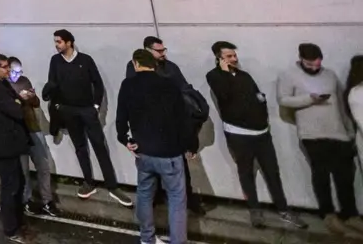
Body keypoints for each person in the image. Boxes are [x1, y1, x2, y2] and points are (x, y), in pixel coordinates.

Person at [205, 41, 305, 229]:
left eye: (234, 55)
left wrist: (262, 113)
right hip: (238, 134)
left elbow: (258, 97)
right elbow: (225, 96)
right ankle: (255, 211)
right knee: (246, 172)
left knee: (272, 171)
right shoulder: (214, 76)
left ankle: (283, 210)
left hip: (261, 133)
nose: (234, 58)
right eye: (229, 56)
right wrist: (225, 73)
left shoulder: (244, 76)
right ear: (219, 59)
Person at [277, 43, 359, 235]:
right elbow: (283, 99)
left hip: (338, 132)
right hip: (311, 134)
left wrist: (350, 131)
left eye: (318, 63)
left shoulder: (330, 75)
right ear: (301, 59)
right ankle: (328, 215)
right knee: (322, 174)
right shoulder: (288, 75)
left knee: (345, 176)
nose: (315, 68)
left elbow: (341, 103)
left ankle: (350, 214)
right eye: (310, 64)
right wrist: (310, 99)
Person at [44, 29, 131, 206]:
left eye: (59, 41)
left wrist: (96, 106)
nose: (56, 45)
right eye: (55, 41)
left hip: (87, 110)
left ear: (69, 42)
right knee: (80, 147)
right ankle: (88, 182)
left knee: (99, 146)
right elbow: (52, 83)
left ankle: (112, 185)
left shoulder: (85, 60)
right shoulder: (55, 61)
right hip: (68, 111)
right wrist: (59, 106)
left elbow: (98, 84)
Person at [117, 49, 190, 244]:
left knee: (144, 194)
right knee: (176, 199)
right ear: (154, 64)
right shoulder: (169, 85)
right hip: (170, 152)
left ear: (135, 64)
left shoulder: (128, 85)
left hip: (143, 151)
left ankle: (147, 238)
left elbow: (121, 117)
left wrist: (125, 139)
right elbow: (182, 119)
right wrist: (189, 145)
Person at [0, 52, 30, 242]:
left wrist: (18, 100)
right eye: (4, 67)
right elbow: (16, 110)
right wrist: (19, 101)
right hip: (5, 143)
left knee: (18, 182)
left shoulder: (1, 84)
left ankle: (17, 221)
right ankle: (11, 228)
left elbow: (15, 102)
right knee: (10, 186)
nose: (8, 70)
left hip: (12, 141)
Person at [8, 57, 57, 216]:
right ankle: (26, 200)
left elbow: (36, 103)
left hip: (33, 127)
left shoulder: (24, 81)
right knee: (23, 170)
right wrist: (19, 98)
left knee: (43, 165)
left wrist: (32, 96)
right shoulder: (3, 85)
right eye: (15, 72)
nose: (18, 75)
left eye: (20, 71)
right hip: (17, 131)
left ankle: (47, 200)